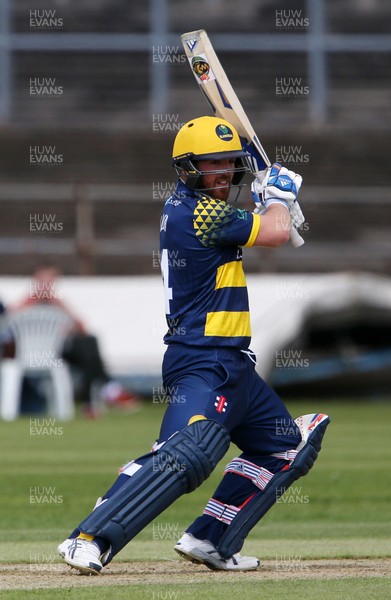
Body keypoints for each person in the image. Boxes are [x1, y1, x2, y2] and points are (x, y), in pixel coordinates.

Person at [57, 116, 329, 574]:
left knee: (288, 446)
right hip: (201, 360)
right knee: (188, 450)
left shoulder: (209, 210)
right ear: (188, 169)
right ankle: (87, 537)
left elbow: (268, 227)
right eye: (212, 165)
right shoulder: (195, 212)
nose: (223, 174)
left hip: (236, 365)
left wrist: (272, 203)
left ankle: (211, 539)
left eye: (229, 165)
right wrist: (280, 197)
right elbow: (277, 233)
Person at [10, 263, 139, 417]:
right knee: (90, 346)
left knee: (90, 342)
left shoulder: (58, 304)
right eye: (43, 280)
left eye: (50, 280)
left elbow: (82, 328)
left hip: (58, 353)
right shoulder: (26, 303)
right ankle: (106, 390)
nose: (46, 285)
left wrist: (61, 306)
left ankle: (99, 396)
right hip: (30, 355)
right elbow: (8, 322)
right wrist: (31, 300)